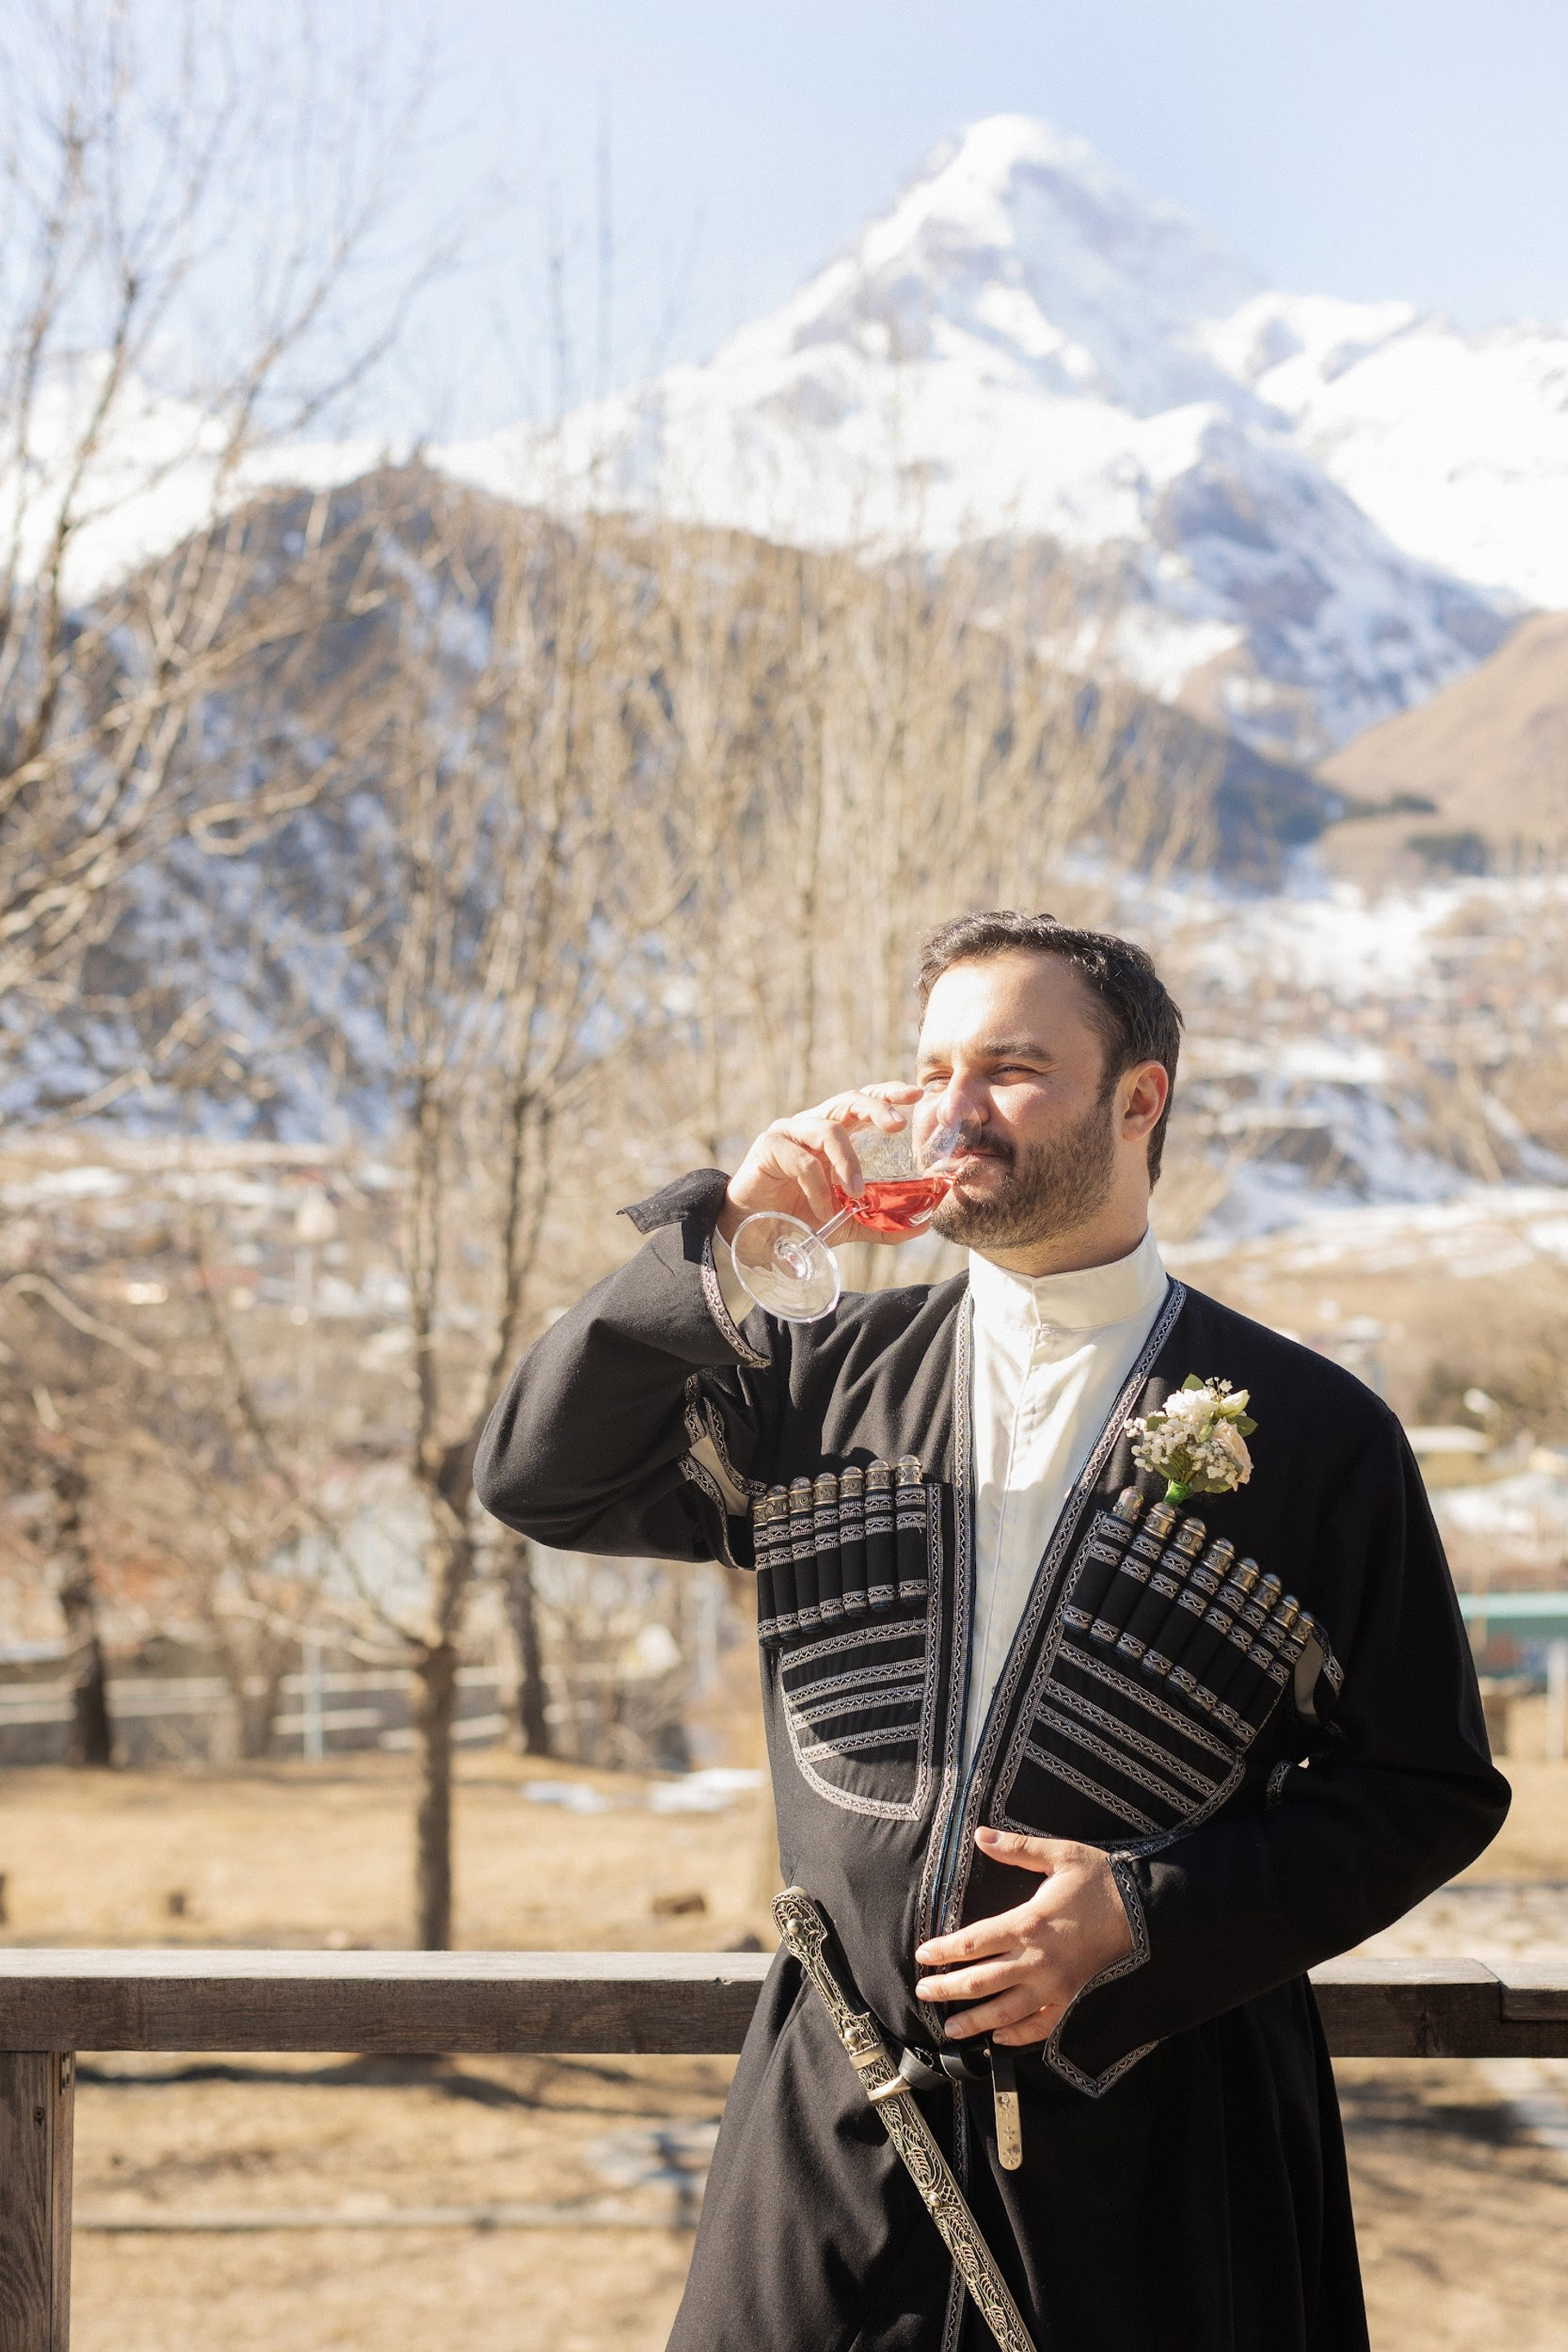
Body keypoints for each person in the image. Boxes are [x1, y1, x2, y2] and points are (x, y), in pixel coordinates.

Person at [475, 911, 1507, 2352]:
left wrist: (1149, 1915)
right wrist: (728, 1238)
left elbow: (1424, 1788)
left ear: (1138, 1099)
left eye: (1013, 1066)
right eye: (935, 1066)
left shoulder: (1322, 1434)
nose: (954, 1109)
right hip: (836, 2125)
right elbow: (539, 1474)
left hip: (1170, 2147)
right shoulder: (804, 1383)